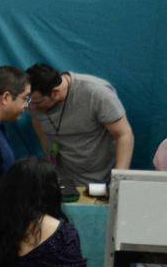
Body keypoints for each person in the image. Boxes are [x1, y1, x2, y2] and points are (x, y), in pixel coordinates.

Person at [26, 64, 133, 194]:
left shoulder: (97, 93)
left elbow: (124, 135)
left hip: (99, 182)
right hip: (62, 182)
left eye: (37, 102)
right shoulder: (33, 102)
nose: (31, 106)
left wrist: (118, 182)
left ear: (55, 93)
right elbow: (39, 125)